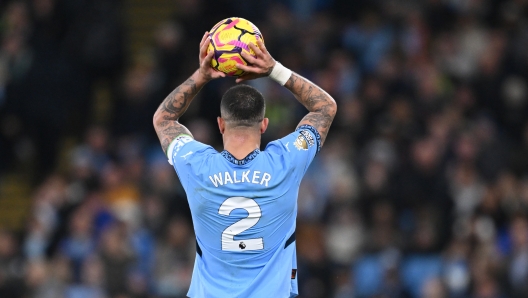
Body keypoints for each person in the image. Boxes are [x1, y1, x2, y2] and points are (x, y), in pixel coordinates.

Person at [153, 31, 337, 298]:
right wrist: (274, 69)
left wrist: (202, 76)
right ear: (264, 124)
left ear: (220, 124)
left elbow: (164, 120)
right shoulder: (285, 161)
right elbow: (325, 108)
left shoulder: (197, 164)